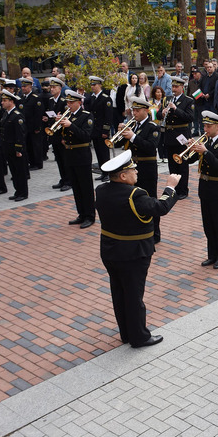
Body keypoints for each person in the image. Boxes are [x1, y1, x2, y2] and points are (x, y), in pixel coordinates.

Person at [96, 151, 179, 348]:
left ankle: (126, 332)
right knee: (134, 296)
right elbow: (161, 207)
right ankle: (139, 337)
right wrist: (170, 187)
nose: (136, 171)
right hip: (133, 252)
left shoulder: (101, 190)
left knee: (119, 292)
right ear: (123, 176)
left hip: (110, 250)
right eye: (132, 169)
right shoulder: (135, 195)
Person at [183, 111, 218, 268]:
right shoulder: (207, 141)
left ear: (217, 126)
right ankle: (211, 254)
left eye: (208, 126)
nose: (205, 129)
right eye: (204, 125)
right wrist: (190, 148)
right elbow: (190, 159)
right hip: (204, 188)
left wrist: (205, 151)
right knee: (208, 225)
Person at [118, 96, 164, 242]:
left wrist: (132, 137)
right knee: (135, 200)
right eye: (133, 110)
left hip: (147, 170)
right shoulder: (134, 125)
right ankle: (139, 229)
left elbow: (151, 147)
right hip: (133, 169)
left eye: (137, 110)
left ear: (145, 110)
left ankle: (155, 233)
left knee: (150, 201)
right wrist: (121, 135)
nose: (134, 113)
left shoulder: (153, 127)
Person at [57, 90, 97, 228]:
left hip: (82, 155)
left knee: (85, 187)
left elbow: (86, 136)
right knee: (76, 187)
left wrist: (70, 126)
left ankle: (90, 215)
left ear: (79, 102)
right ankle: (81, 213)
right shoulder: (67, 116)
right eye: (67, 102)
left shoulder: (87, 116)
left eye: (71, 102)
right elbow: (65, 135)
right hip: (69, 154)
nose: (68, 105)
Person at [162, 76, 196, 199]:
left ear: (182, 87)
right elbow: (162, 116)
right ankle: (174, 188)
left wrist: (176, 109)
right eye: (173, 86)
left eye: (176, 87)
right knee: (172, 164)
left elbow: (190, 117)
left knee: (182, 164)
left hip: (181, 135)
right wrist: (163, 113)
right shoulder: (167, 99)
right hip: (170, 135)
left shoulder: (188, 100)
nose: (174, 89)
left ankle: (183, 190)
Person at [0, 90, 29, 202]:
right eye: (2, 100)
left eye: (5, 100)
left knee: (20, 171)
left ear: (11, 102)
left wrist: (18, 149)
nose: (2, 102)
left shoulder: (17, 115)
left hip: (16, 148)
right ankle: (17, 191)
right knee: (14, 171)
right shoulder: (7, 114)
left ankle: (23, 193)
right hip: (8, 147)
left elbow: (20, 134)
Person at [86, 76, 115, 181]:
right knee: (98, 152)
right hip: (95, 129)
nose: (93, 87)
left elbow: (108, 116)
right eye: (92, 85)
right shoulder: (92, 97)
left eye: (95, 85)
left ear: (100, 85)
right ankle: (103, 172)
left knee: (104, 153)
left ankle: (108, 173)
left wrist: (106, 131)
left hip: (102, 129)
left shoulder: (105, 98)